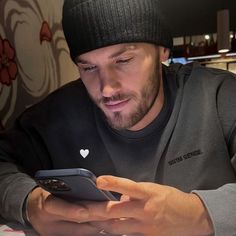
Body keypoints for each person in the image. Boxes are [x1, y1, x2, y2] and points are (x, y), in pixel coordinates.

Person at [0, 0, 236, 235]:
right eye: (89, 68)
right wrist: (30, 203)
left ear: (162, 50)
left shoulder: (219, 96)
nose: (107, 90)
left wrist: (200, 214)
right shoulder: (55, 115)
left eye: (123, 60)